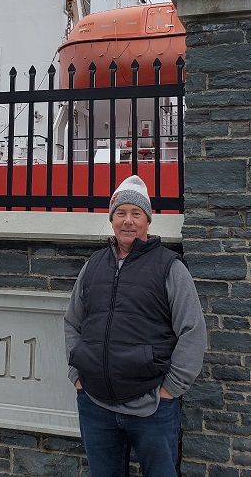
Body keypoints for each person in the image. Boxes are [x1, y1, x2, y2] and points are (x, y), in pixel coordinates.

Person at [64, 175, 206, 477]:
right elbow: (72, 322)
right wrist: (77, 375)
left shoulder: (170, 267)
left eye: (136, 213)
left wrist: (171, 389)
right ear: (112, 219)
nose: (128, 221)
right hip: (95, 405)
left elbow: (192, 330)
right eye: (121, 213)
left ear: (147, 220)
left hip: (151, 408)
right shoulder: (93, 265)